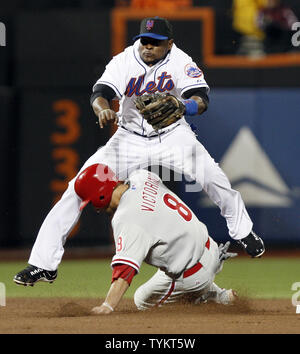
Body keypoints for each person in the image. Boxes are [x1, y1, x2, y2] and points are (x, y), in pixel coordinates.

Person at [13, 16, 264, 287]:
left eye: (155, 43)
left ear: (169, 43)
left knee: (213, 177)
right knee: (77, 188)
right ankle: (43, 264)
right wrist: (103, 108)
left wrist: (184, 107)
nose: (148, 47)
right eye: (145, 41)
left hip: (172, 136)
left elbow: (201, 98)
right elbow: (99, 92)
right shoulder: (123, 61)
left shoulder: (181, 61)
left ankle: (243, 231)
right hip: (128, 139)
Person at [85, 164, 238, 313]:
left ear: (101, 194)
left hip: (193, 275)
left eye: (91, 200)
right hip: (211, 248)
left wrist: (107, 305)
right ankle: (220, 294)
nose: (94, 207)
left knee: (142, 300)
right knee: (168, 264)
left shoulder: (126, 218)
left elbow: (125, 269)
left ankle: (208, 297)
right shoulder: (142, 176)